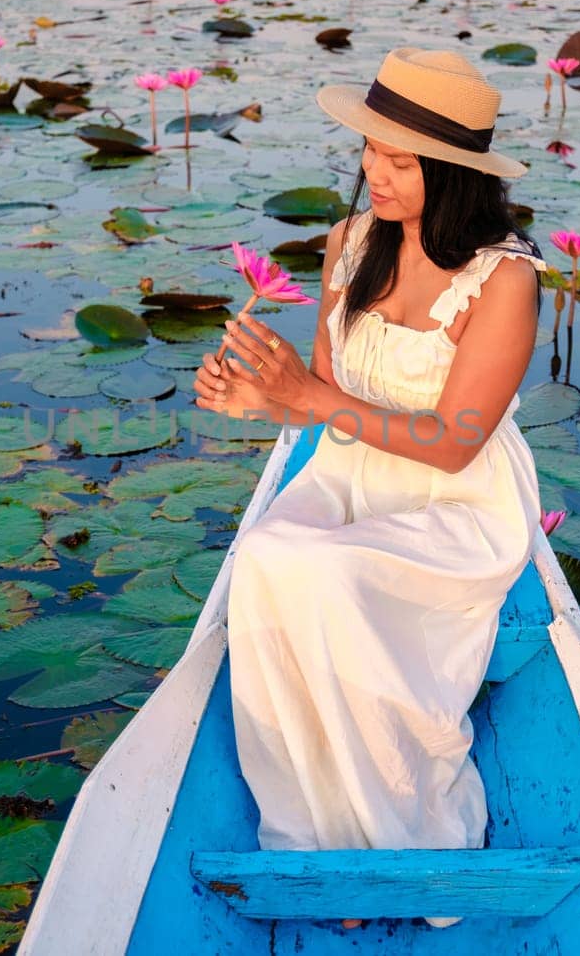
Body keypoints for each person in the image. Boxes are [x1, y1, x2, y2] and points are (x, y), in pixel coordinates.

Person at [191, 47, 550, 933]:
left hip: (450, 501)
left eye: (397, 160)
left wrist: (313, 400)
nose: (372, 173)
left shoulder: (504, 280)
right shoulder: (349, 243)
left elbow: (458, 445)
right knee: (269, 559)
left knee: (327, 578)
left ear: (455, 172)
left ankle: (397, 829)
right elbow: (323, 387)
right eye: (369, 150)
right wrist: (263, 400)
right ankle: (314, 829)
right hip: (351, 470)